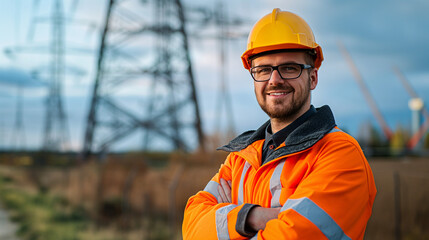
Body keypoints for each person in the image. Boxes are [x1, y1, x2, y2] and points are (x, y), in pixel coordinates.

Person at [183, 8, 376, 240]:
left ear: (312, 77)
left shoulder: (339, 154)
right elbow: (192, 227)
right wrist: (250, 216)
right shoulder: (240, 160)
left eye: (289, 68)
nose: (275, 80)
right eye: (263, 70)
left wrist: (225, 221)